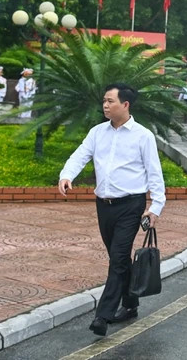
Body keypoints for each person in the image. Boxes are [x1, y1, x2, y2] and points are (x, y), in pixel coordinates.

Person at [58, 83, 166, 336]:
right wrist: (66, 175)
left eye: (110, 101)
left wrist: (156, 206)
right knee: (118, 259)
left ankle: (103, 315)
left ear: (125, 104)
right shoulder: (97, 132)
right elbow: (80, 155)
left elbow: (154, 173)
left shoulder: (143, 136)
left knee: (118, 257)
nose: (105, 105)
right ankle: (130, 304)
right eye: (104, 101)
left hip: (131, 205)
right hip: (104, 206)